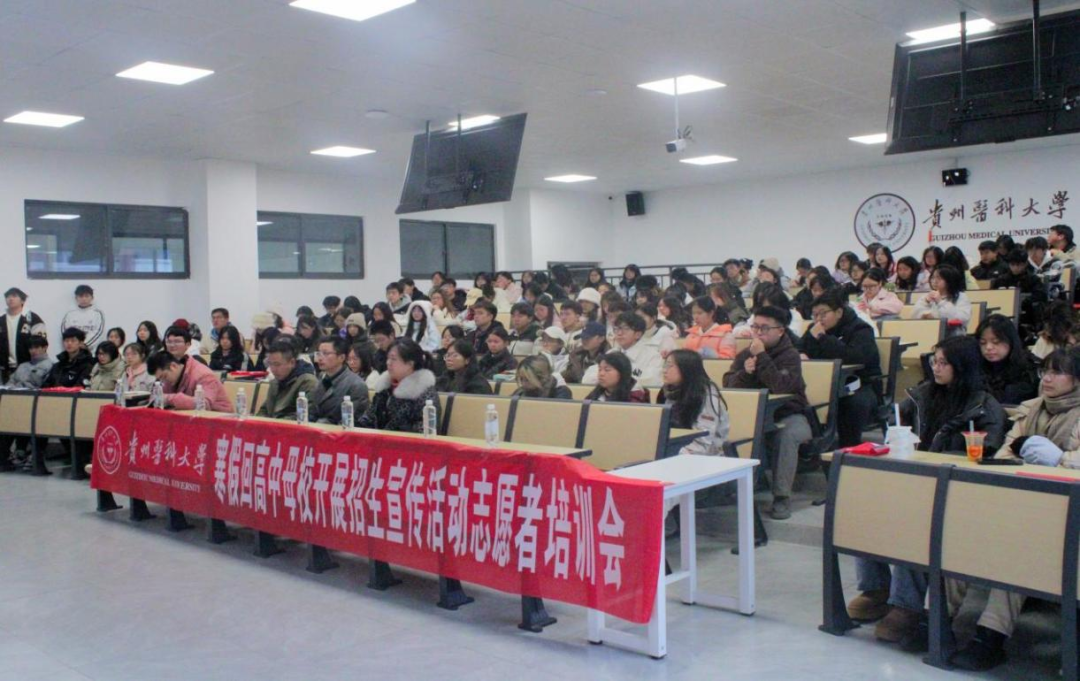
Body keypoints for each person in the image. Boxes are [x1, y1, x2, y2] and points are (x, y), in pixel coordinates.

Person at [930, 348, 1080, 671]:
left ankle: (991, 635)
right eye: (1044, 372)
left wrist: (1060, 459)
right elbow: (1005, 454)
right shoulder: (1030, 409)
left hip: (1066, 514)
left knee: (1018, 547)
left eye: (1057, 372)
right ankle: (936, 620)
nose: (1047, 379)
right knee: (960, 536)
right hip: (1021, 501)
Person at [868, 336, 1007, 647]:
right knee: (866, 508)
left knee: (916, 523)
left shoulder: (984, 406)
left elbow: (988, 451)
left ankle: (906, 605)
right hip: (918, 482)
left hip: (960, 492)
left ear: (961, 366)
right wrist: (896, 431)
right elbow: (896, 423)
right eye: (934, 361)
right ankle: (875, 589)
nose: (936, 368)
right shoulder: (921, 395)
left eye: (943, 363)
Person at [723, 306, 812, 520]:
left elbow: (782, 387)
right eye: (755, 327)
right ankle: (732, 486)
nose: (758, 333)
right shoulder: (747, 353)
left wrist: (762, 357)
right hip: (756, 415)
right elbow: (728, 384)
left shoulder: (790, 355)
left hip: (789, 414)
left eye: (764, 328)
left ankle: (782, 496)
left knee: (786, 436)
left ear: (780, 331)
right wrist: (745, 373)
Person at [800, 288, 881, 447]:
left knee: (852, 403)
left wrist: (823, 338)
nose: (818, 319)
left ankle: (849, 448)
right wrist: (800, 353)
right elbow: (798, 346)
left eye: (823, 314)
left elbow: (854, 357)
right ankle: (811, 448)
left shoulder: (860, 329)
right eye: (815, 315)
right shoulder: (814, 328)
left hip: (859, 384)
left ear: (838, 312)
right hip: (823, 383)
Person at [359, 338, 439, 432]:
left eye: (393, 359)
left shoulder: (425, 394)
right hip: (379, 439)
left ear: (410, 364)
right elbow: (368, 419)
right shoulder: (385, 388)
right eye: (388, 358)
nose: (388, 363)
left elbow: (424, 431)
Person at [658, 349, 730, 455]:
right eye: (665, 365)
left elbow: (704, 440)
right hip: (675, 448)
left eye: (670, 366)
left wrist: (673, 454)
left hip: (706, 456)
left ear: (686, 368)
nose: (664, 370)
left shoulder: (706, 396)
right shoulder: (670, 392)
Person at [0, 336, 52, 471]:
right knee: (6, 421)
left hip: (37, 406)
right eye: (31, 348)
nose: (33, 351)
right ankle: (6, 456)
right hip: (16, 404)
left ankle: (29, 454)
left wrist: (24, 385)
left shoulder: (50, 365)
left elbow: (43, 386)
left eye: (36, 347)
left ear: (45, 347)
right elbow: (10, 383)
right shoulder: (23, 366)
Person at [582, 311, 663, 388]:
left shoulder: (653, 356)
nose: (619, 333)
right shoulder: (612, 353)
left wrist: (614, 378)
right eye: (616, 329)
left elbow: (653, 381)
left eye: (625, 329)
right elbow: (587, 380)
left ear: (638, 334)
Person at [976, 315, 1038, 405]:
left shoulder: (1028, 369)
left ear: (1010, 341)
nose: (988, 347)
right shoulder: (976, 367)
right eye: (983, 343)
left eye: (996, 342)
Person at [255, 338, 320, 420]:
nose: (272, 369)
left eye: (277, 364)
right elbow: (264, 410)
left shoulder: (308, 382)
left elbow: (306, 414)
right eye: (270, 364)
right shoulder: (275, 382)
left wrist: (275, 423)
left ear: (292, 362)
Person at [310, 336, 370, 425]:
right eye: (318, 353)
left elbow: (353, 421)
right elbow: (311, 412)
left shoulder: (356, 385)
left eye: (325, 353)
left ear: (341, 357)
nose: (320, 358)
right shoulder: (321, 379)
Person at [148, 351, 232, 412]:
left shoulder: (203, 375)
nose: (163, 381)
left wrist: (172, 399)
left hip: (220, 420)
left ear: (173, 366)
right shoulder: (170, 378)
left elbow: (204, 404)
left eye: (164, 376)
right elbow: (159, 397)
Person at [1, 287, 47, 383]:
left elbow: (40, 344)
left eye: (14, 296)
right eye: (8, 297)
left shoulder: (33, 319)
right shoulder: (1, 320)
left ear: (22, 300)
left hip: (28, 367)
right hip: (4, 368)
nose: (10, 299)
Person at [60, 284, 105, 350]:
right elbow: (65, 332)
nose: (84, 299)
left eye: (86, 296)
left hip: (91, 351)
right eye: (81, 296)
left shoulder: (98, 314)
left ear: (92, 298)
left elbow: (99, 332)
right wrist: (73, 344)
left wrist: (85, 344)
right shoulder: (70, 314)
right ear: (76, 298)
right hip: (73, 350)